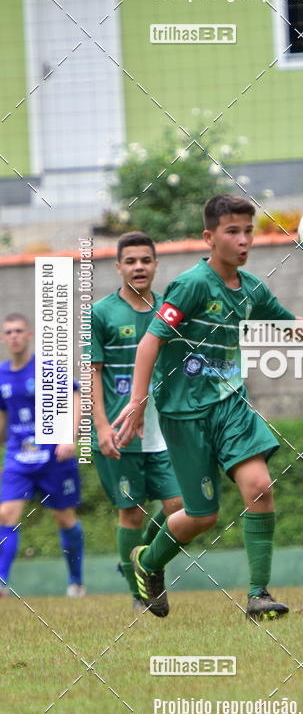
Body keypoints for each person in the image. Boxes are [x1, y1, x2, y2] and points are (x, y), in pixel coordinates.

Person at [112, 194, 303, 619]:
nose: (244, 240)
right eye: (233, 232)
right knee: (202, 516)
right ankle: (147, 562)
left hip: (231, 405)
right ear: (210, 237)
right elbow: (152, 340)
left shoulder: (253, 289)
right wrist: (137, 401)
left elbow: (292, 325)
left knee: (260, 487)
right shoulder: (191, 285)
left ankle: (259, 594)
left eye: (248, 231)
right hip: (183, 415)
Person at [91, 232, 182, 611]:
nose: (139, 267)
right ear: (119, 267)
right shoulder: (100, 313)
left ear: (156, 264)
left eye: (146, 260)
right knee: (130, 510)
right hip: (121, 431)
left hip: (168, 432)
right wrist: (101, 427)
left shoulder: (171, 311)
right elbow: (91, 372)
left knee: (182, 506)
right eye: (131, 261)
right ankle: (138, 597)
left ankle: (142, 560)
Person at [0, 313, 85, 597]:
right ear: (4, 338)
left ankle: (76, 581)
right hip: (18, 457)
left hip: (53, 457)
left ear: (29, 334)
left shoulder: (47, 368)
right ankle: (1, 582)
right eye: (9, 332)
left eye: (18, 331)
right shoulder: (1, 375)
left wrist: (69, 438)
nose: (14, 336)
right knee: (6, 514)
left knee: (65, 519)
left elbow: (75, 395)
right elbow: (3, 418)